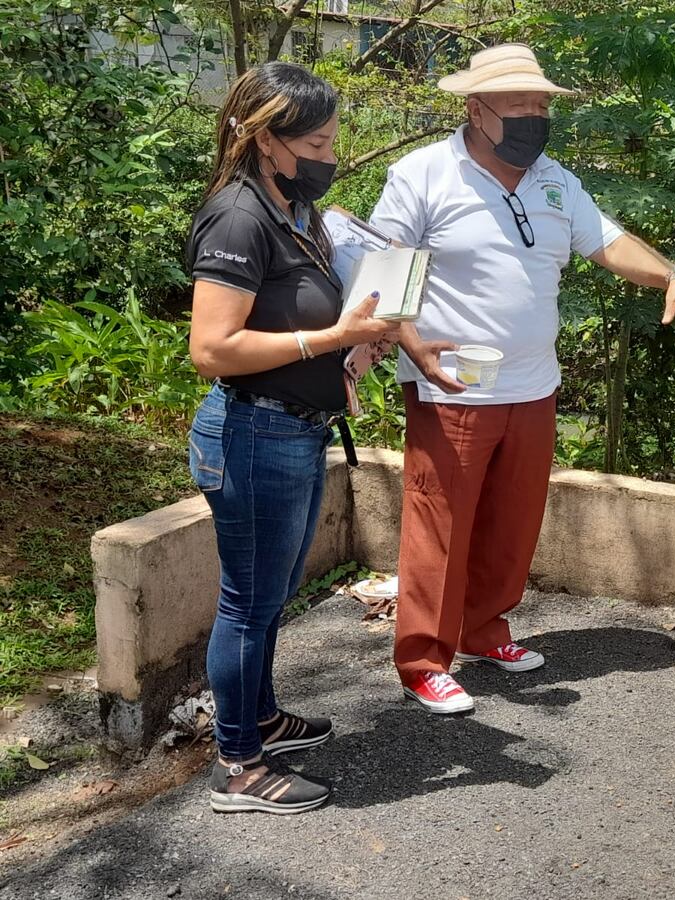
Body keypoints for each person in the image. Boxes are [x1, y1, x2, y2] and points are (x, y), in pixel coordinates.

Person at [370, 44, 675, 714]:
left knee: (512, 524)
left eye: (542, 104)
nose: (535, 116)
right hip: (452, 383)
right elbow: (382, 268)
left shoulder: (555, 180)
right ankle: (423, 660)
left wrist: (672, 272)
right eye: (520, 103)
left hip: (533, 385)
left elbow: (608, 241)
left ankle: (484, 630)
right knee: (441, 528)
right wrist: (408, 343)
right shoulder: (424, 174)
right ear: (476, 109)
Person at [187, 62, 401, 814]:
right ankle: (239, 765)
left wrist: (357, 344)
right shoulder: (238, 217)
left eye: (333, 137)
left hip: (295, 431)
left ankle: (263, 717)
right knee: (248, 600)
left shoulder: (295, 212)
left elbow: (300, 319)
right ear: (265, 139)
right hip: (252, 432)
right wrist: (331, 336)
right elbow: (212, 349)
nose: (329, 152)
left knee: (272, 593)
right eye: (315, 139)